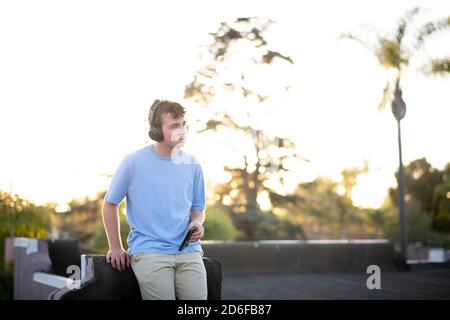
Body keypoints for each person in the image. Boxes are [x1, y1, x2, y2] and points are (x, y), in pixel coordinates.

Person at [102, 99, 207, 300]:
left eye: (184, 124)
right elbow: (109, 205)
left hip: (190, 253)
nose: (182, 131)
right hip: (150, 253)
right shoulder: (133, 162)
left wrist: (196, 222)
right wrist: (115, 247)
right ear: (156, 132)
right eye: (174, 126)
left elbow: (197, 207)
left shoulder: (193, 164)